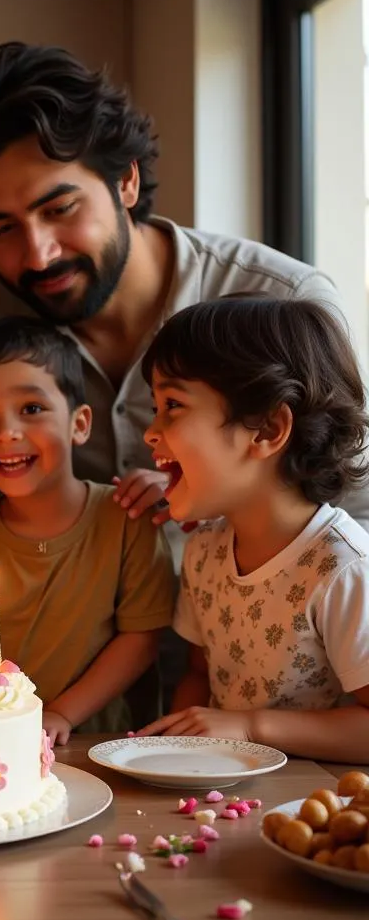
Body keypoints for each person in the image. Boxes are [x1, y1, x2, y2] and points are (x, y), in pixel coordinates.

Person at [0, 41, 369, 539]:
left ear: (125, 181)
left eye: (60, 210)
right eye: (1, 228)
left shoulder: (282, 299)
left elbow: (357, 512)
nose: (39, 254)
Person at [0, 318, 176, 742]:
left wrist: (60, 715)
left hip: (101, 747)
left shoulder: (126, 518)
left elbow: (141, 640)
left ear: (80, 424)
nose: (6, 433)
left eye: (31, 409)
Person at [137, 297, 369, 762]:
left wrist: (250, 726)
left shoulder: (343, 569)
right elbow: (198, 679)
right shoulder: (203, 551)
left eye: (173, 405)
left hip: (310, 811)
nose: (150, 431)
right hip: (222, 803)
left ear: (266, 429)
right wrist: (176, 757)